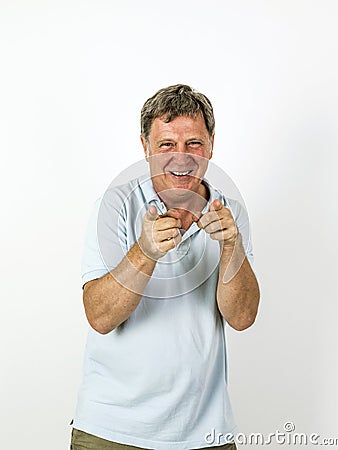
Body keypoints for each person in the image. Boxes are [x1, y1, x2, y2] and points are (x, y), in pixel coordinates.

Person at [70, 84, 260, 450]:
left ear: (212, 144)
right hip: (112, 431)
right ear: (145, 148)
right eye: (166, 145)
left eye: (194, 144)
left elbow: (242, 317)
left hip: (207, 433)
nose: (181, 158)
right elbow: (100, 316)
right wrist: (145, 252)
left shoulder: (230, 211)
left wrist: (231, 246)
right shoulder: (114, 205)